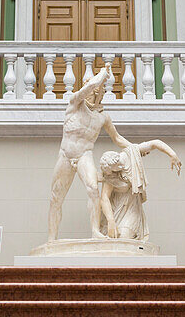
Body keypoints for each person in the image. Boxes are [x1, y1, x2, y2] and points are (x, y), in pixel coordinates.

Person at [47, 66, 130, 241]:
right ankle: (51, 239)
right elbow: (87, 87)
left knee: (93, 189)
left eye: (97, 92)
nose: (93, 94)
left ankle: (95, 232)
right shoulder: (75, 103)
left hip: (85, 154)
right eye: (91, 90)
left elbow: (117, 138)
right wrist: (101, 75)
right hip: (66, 155)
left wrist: (134, 149)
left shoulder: (103, 117)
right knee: (56, 198)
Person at [98, 140, 182, 241]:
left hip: (132, 207)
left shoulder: (131, 154)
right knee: (113, 239)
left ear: (118, 166)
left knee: (124, 237)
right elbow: (104, 198)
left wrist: (172, 154)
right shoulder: (110, 174)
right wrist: (111, 221)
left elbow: (154, 143)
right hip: (116, 208)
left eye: (112, 171)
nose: (111, 174)